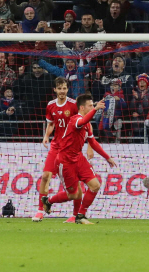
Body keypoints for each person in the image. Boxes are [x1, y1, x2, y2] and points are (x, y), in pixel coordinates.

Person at [42, 94, 117, 225]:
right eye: (90, 105)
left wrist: (107, 157)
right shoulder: (75, 119)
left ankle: (81, 215)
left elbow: (93, 143)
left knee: (95, 186)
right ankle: (48, 201)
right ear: (82, 107)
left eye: (93, 105)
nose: (92, 107)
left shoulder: (87, 124)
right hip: (65, 161)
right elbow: (81, 122)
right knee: (74, 195)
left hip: (79, 158)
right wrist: (96, 109)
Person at [32, 77, 88, 223]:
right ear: (55, 90)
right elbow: (51, 124)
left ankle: (75, 215)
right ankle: (40, 210)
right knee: (45, 176)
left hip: (71, 148)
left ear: (67, 89)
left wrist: (89, 142)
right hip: (56, 145)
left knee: (76, 183)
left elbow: (84, 122)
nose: (62, 91)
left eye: (64, 88)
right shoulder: (51, 106)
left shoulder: (73, 105)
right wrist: (46, 136)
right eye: (60, 88)